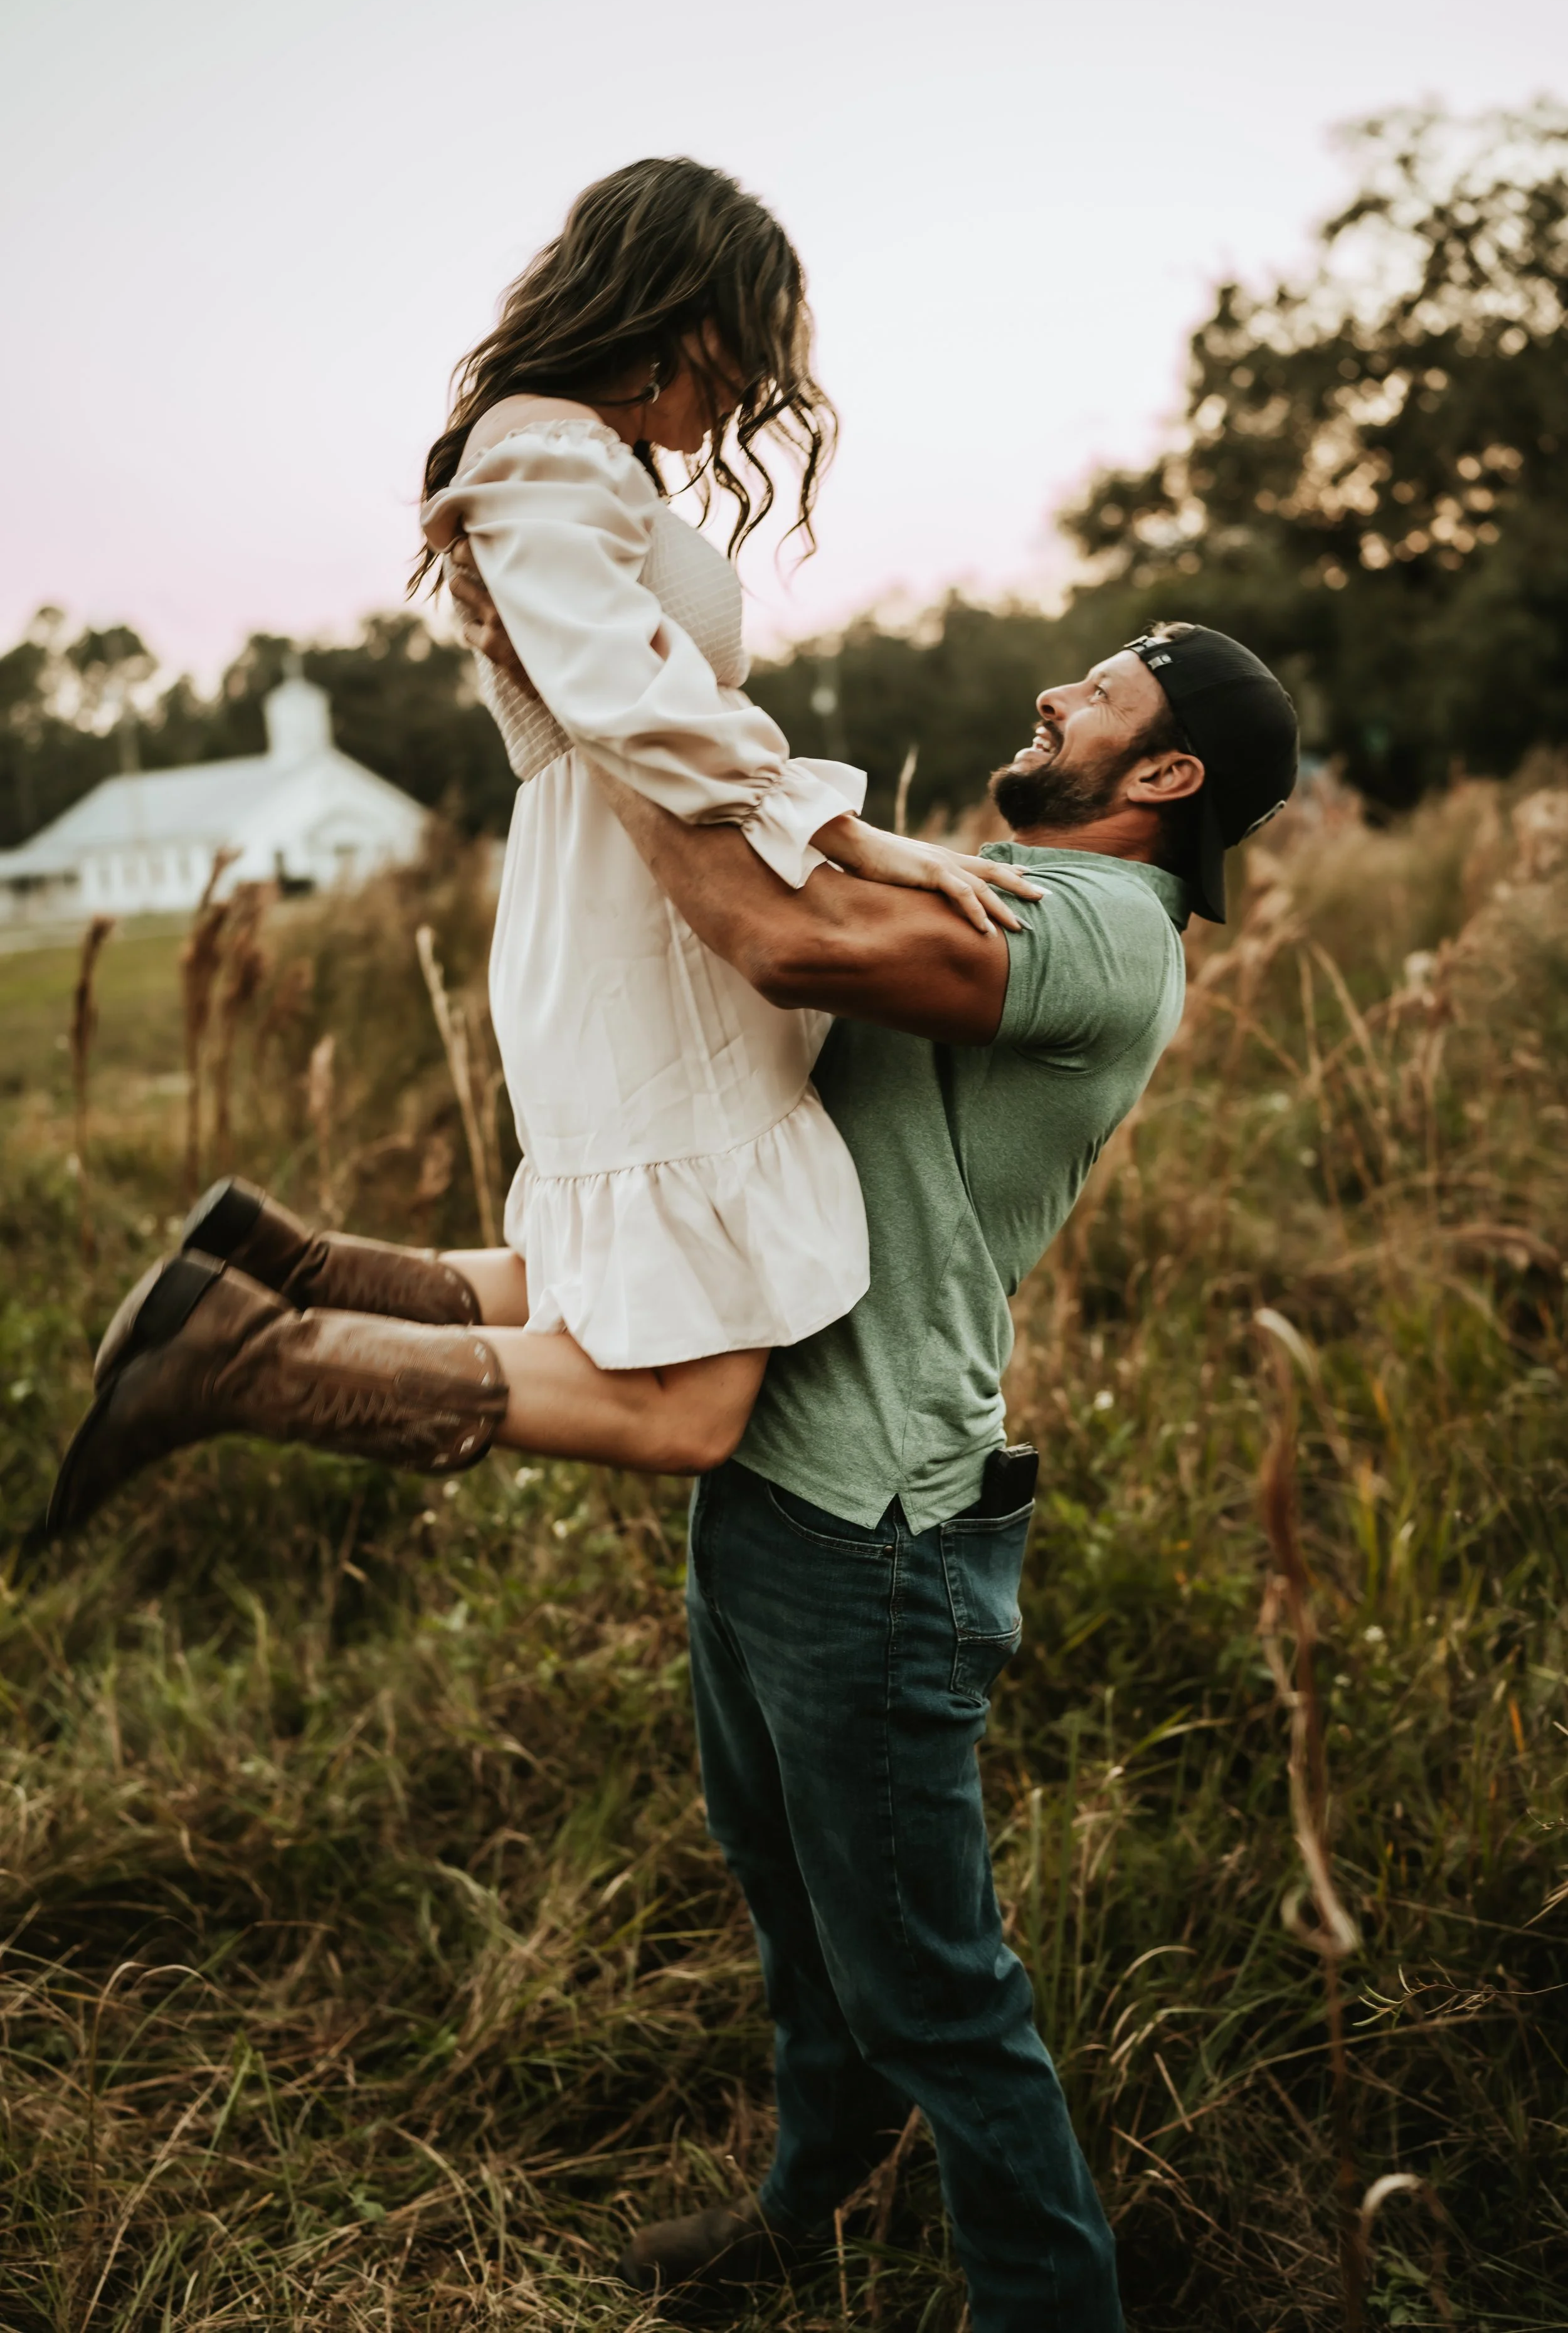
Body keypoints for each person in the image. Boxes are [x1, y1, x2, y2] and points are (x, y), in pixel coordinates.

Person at [455, 607, 1300, 2329]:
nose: (1052, 689)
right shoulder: (1002, 876)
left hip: (879, 1529)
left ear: (1163, 775)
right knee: (791, 1899)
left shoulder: (1100, 933)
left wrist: (616, 721)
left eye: (1099, 691)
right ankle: (806, 2206)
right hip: (765, 1471)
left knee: (932, 1989)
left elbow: (778, 937)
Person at [42, 157, 1032, 1538]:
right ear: (678, 308)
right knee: (685, 1402)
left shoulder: (581, 459)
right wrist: (850, 836)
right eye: (745, 344)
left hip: (636, 902)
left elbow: (614, 690)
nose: (751, 390)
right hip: (637, 929)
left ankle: (278, 1276)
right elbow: (621, 693)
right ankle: (248, 1359)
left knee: (617, 1284)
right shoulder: (544, 451)